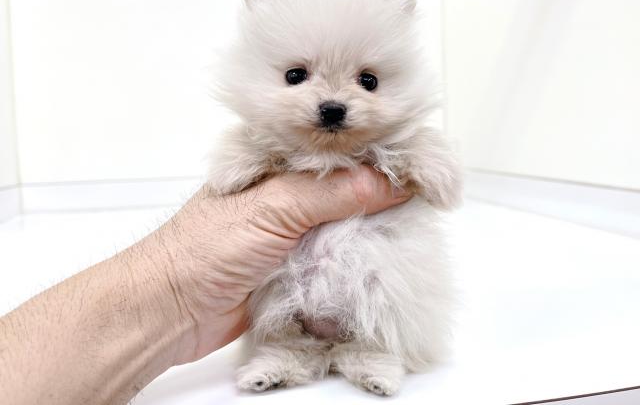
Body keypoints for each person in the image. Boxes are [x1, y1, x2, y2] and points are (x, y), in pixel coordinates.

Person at [0, 166, 410, 405]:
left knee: (390, 296)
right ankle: (291, 355)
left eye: (367, 81)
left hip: (372, 301)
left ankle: (370, 351)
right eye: (296, 76)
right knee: (275, 308)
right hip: (291, 306)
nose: (331, 102)